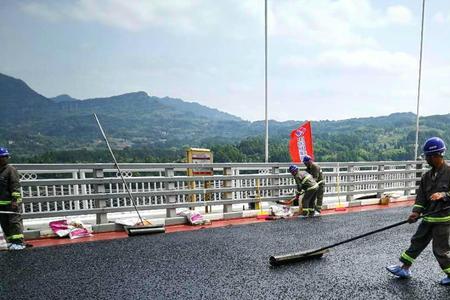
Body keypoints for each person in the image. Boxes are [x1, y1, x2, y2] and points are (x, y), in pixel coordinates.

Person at [386, 137, 450, 286]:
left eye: (427, 156)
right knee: (417, 242)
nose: (426, 159)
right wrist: (416, 212)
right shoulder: (427, 176)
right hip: (428, 218)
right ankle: (404, 269)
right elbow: (421, 197)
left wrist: (445, 195)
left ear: (436, 156)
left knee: (440, 250)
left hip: (443, 220)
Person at [0, 147, 25, 250]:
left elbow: (15, 186)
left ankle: (18, 242)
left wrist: (15, 200)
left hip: (12, 202)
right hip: (1, 203)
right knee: (4, 223)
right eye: (3, 157)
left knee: (14, 222)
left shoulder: (11, 170)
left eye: (6, 157)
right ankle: (11, 241)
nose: (5, 159)